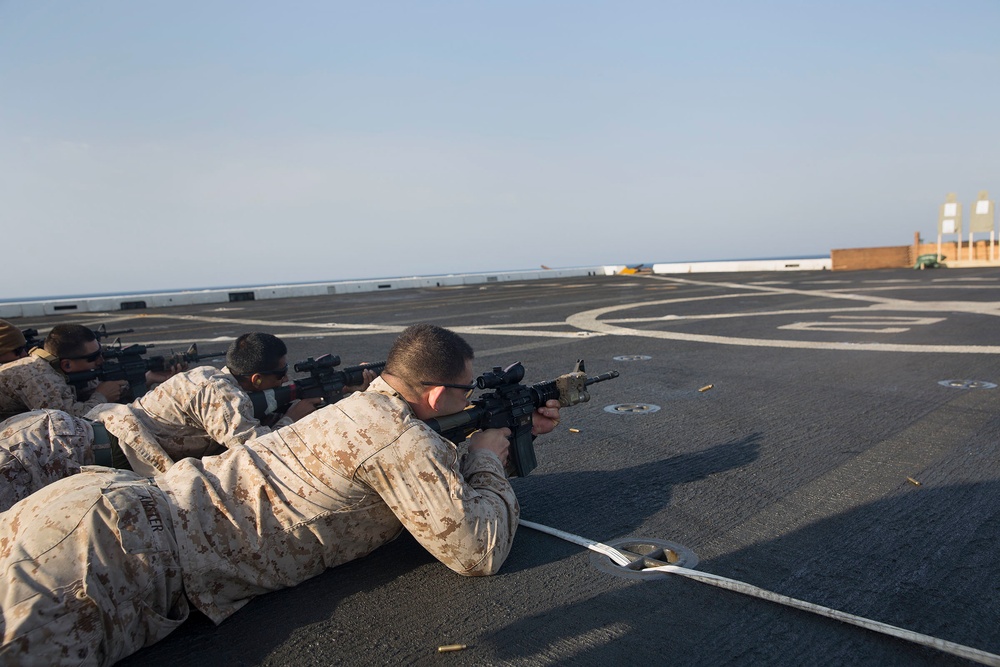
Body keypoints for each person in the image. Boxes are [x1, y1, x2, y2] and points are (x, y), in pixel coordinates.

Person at [0, 324, 561, 665]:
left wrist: (480, 443)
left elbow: (412, 467)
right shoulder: (396, 437)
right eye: (467, 392)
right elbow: (477, 549)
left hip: (100, 510)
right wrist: (488, 455)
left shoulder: (358, 409)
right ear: (438, 393)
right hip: (119, 560)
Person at [0, 332, 371, 509]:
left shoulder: (218, 380)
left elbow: (242, 415)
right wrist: (292, 417)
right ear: (255, 379)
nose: (287, 381)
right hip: (72, 450)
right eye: (281, 376)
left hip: (82, 443)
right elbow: (258, 453)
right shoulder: (218, 393)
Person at [0, 323, 125, 420]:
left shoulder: (54, 367)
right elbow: (68, 422)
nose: (101, 361)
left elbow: (87, 389)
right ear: (67, 365)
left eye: (101, 353)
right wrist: (101, 397)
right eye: (93, 357)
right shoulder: (40, 376)